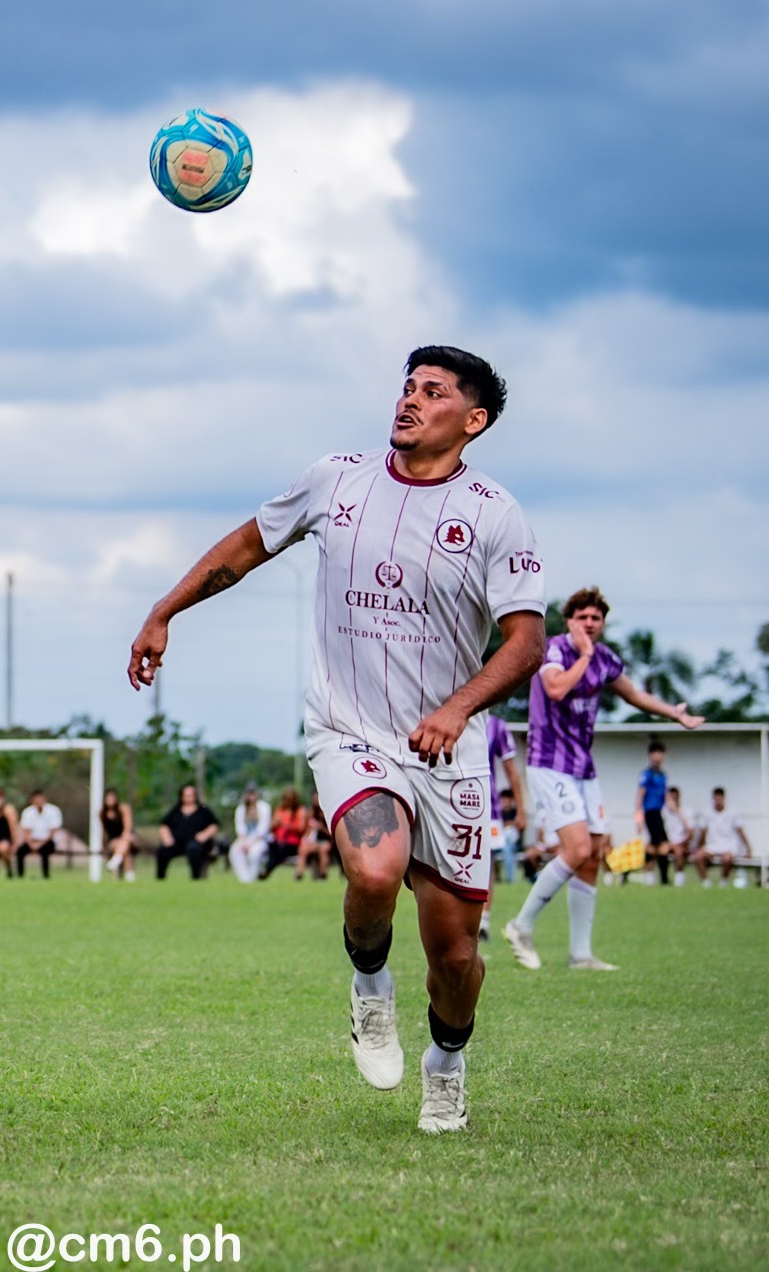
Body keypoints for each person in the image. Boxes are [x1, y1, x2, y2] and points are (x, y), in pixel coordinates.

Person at [129, 345, 548, 1134]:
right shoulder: (337, 477)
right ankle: (368, 986)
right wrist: (163, 610)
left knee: (455, 958)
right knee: (373, 866)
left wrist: (457, 709)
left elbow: (525, 642)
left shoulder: (494, 513)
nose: (410, 402)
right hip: (348, 729)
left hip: (448, 754)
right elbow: (244, 548)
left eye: (432, 393)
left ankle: (446, 1065)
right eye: (406, 388)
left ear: (473, 420)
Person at [503, 587, 704, 972]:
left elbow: (632, 695)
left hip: (583, 768)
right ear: (569, 621)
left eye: (597, 618)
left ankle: (580, 955)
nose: (590, 624)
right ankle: (521, 925)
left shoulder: (606, 658)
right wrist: (587, 656)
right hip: (549, 763)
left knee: (593, 856)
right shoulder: (556, 650)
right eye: (583, 618)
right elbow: (556, 688)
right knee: (576, 849)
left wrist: (673, 714)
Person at [480, 714, 526, 940]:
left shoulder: (496, 726)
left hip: (489, 807)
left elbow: (511, 771)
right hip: (452, 803)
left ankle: (484, 923)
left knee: (486, 863)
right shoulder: (450, 713)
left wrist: (521, 809)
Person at [156, 784, 220, 880]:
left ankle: (196, 878)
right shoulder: (175, 811)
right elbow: (163, 825)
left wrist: (205, 834)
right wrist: (166, 837)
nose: (188, 798)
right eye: (186, 795)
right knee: (163, 851)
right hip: (177, 843)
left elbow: (214, 825)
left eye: (191, 795)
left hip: (197, 843)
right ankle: (160, 878)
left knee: (193, 849)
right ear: (181, 796)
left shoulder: (203, 810)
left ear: (195, 796)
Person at [693, 787, 752, 887]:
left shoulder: (733, 812)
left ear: (724, 799)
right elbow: (703, 832)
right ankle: (706, 882)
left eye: (720, 799)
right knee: (698, 856)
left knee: (727, 859)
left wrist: (748, 849)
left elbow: (740, 831)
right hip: (712, 845)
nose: (718, 802)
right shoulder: (707, 813)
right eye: (716, 799)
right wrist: (698, 847)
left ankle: (723, 881)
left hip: (728, 845)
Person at [635, 740, 672, 885]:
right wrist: (637, 815)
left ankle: (654, 877)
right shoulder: (646, 774)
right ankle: (661, 878)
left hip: (659, 813)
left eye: (661, 753)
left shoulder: (663, 775)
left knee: (655, 846)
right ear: (650, 755)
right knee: (662, 845)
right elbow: (640, 795)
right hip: (650, 813)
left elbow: (666, 796)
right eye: (655, 753)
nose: (658, 756)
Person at [263, 788, 310, 878]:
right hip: (278, 841)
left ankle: (266, 870)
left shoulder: (299, 811)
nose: (288, 802)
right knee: (270, 846)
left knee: (282, 850)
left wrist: (285, 825)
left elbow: (301, 828)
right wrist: (274, 824)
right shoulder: (279, 810)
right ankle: (265, 870)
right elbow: (271, 827)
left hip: (293, 843)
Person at [229, 784, 271, 883]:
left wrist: (251, 842)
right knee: (234, 851)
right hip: (244, 839)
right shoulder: (241, 809)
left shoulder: (264, 807)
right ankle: (244, 879)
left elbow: (263, 828)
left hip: (260, 839)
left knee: (254, 853)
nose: (250, 796)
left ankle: (252, 878)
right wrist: (243, 842)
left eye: (252, 794)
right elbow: (240, 827)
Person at [17, 789, 63, 878]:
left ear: (45, 799)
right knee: (20, 851)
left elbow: (52, 832)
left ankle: (45, 875)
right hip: (32, 841)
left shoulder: (53, 811)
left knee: (44, 851)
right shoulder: (28, 812)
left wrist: (40, 844)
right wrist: (31, 844)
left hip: (47, 841)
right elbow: (26, 831)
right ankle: (20, 875)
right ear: (32, 800)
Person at [100, 788, 136, 881]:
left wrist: (124, 838)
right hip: (112, 841)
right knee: (125, 850)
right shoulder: (102, 813)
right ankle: (129, 877)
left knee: (125, 843)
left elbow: (128, 828)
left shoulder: (123, 809)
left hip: (126, 838)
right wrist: (102, 845)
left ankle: (115, 862)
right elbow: (104, 830)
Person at [295, 794, 333, 881]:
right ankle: (299, 874)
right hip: (313, 842)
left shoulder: (328, 814)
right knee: (303, 849)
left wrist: (321, 828)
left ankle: (323, 875)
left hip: (325, 840)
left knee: (323, 849)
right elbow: (305, 831)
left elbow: (331, 833)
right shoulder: (310, 813)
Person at [663, 785, 694, 885]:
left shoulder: (686, 812)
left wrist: (677, 811)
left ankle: (679, 877)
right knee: (658, 851)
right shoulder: (663, 812)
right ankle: (663, 878)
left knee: (678, 851)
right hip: (667, 842)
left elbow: (690, 832)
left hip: (681, 843)